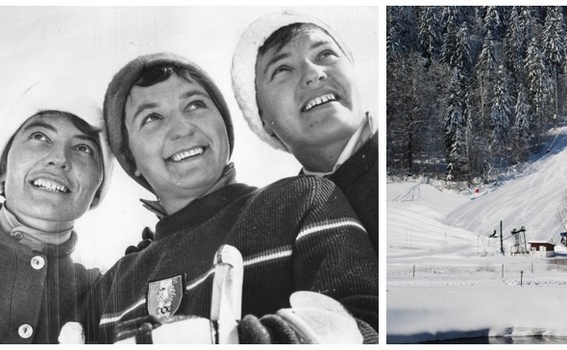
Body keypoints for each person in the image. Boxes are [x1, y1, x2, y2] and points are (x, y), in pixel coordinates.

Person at [79, 53, 378, 343]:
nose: (182, 128)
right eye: (152, 117)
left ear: (225, 126)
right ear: (130, 159)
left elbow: (365, 325)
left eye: (195, 105)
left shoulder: (303, 201)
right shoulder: (111, 289)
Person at [232, 12, 379, 253]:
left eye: (325, 54)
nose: (313, 74)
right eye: (282, 69)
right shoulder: (280, 224)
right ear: (262, 120)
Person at [0, 86, 112, 343]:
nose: (59, 159)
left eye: (83, 148)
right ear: (3, 166)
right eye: (40, 136)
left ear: (97, 190)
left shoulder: (103, 291)